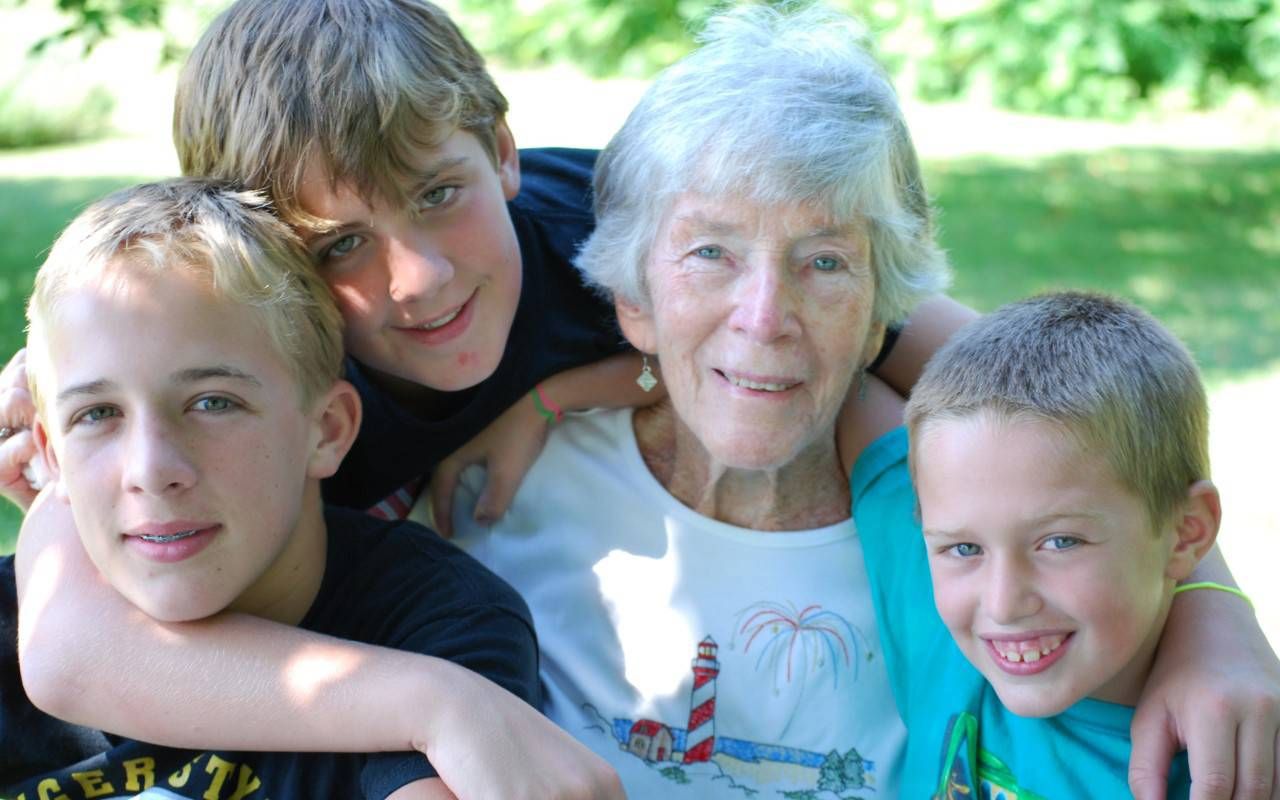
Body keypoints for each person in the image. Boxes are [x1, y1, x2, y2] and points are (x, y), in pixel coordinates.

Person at [441, 6, 1280, 799]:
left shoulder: (967, 531)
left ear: (887, 306)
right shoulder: (500, 483)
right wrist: (555, 399)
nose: (765, 317)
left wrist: (1216, 607)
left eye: (827, 262)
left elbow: (1108, 467)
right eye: (710, 251)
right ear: (632, 298)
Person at [4, 178, 578, 798]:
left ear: (327, 430)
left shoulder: (433, 628)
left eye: (211, 402)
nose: (149, 468)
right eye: (96, 414)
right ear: (49, 452)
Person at [858, 291, 1227, 797]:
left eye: (1059, 542)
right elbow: (844, 333)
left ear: (1188, 532)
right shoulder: (929, 606)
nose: (1004, 604)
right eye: (965, 549)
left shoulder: (1236, 768)